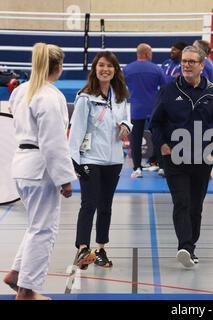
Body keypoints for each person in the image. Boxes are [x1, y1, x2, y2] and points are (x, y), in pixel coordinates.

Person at [3, 43, 76, 300]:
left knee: (36, 226)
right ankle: (26, 291)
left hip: (22, 164)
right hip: (41, 167)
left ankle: (15, 273)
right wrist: (65, 179)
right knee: (44, 230)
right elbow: (53, 142)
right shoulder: (50, 96)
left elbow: (16, 116)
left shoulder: (22, 91)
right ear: (57, 67)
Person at [151, 46, 213, 268]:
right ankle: (184, 246)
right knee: (182, 202)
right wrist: (163, 146)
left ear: (202, 66)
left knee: (196, 207)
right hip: (175, 158)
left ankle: (190, 247)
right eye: (184, 61)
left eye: (191, 62)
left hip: (203, 158)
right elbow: (154, 122)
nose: (186, 65)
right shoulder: (168, 90)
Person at [69, 51, 132, 269]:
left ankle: (100, 249)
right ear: (95, 69)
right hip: (90, 158)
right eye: (101, 65)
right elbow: (75, 131)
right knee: (89, 204)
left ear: (115, 70)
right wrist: (75, 162)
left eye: (110, 66)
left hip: (113, 159)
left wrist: (126, 126)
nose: (105, 69)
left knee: (106, 206)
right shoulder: (85, 97)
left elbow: (127, 118)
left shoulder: (120, 96)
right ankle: (82, 249)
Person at [123, 43, 167, 178]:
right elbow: (165, 87)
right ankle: (161, 166)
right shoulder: (156, 69)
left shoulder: (127, 69)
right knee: (158, 137)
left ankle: (137, 167)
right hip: (153, 107)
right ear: (148, 53)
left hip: (136, 108)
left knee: (135, 139)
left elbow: (120, 87)